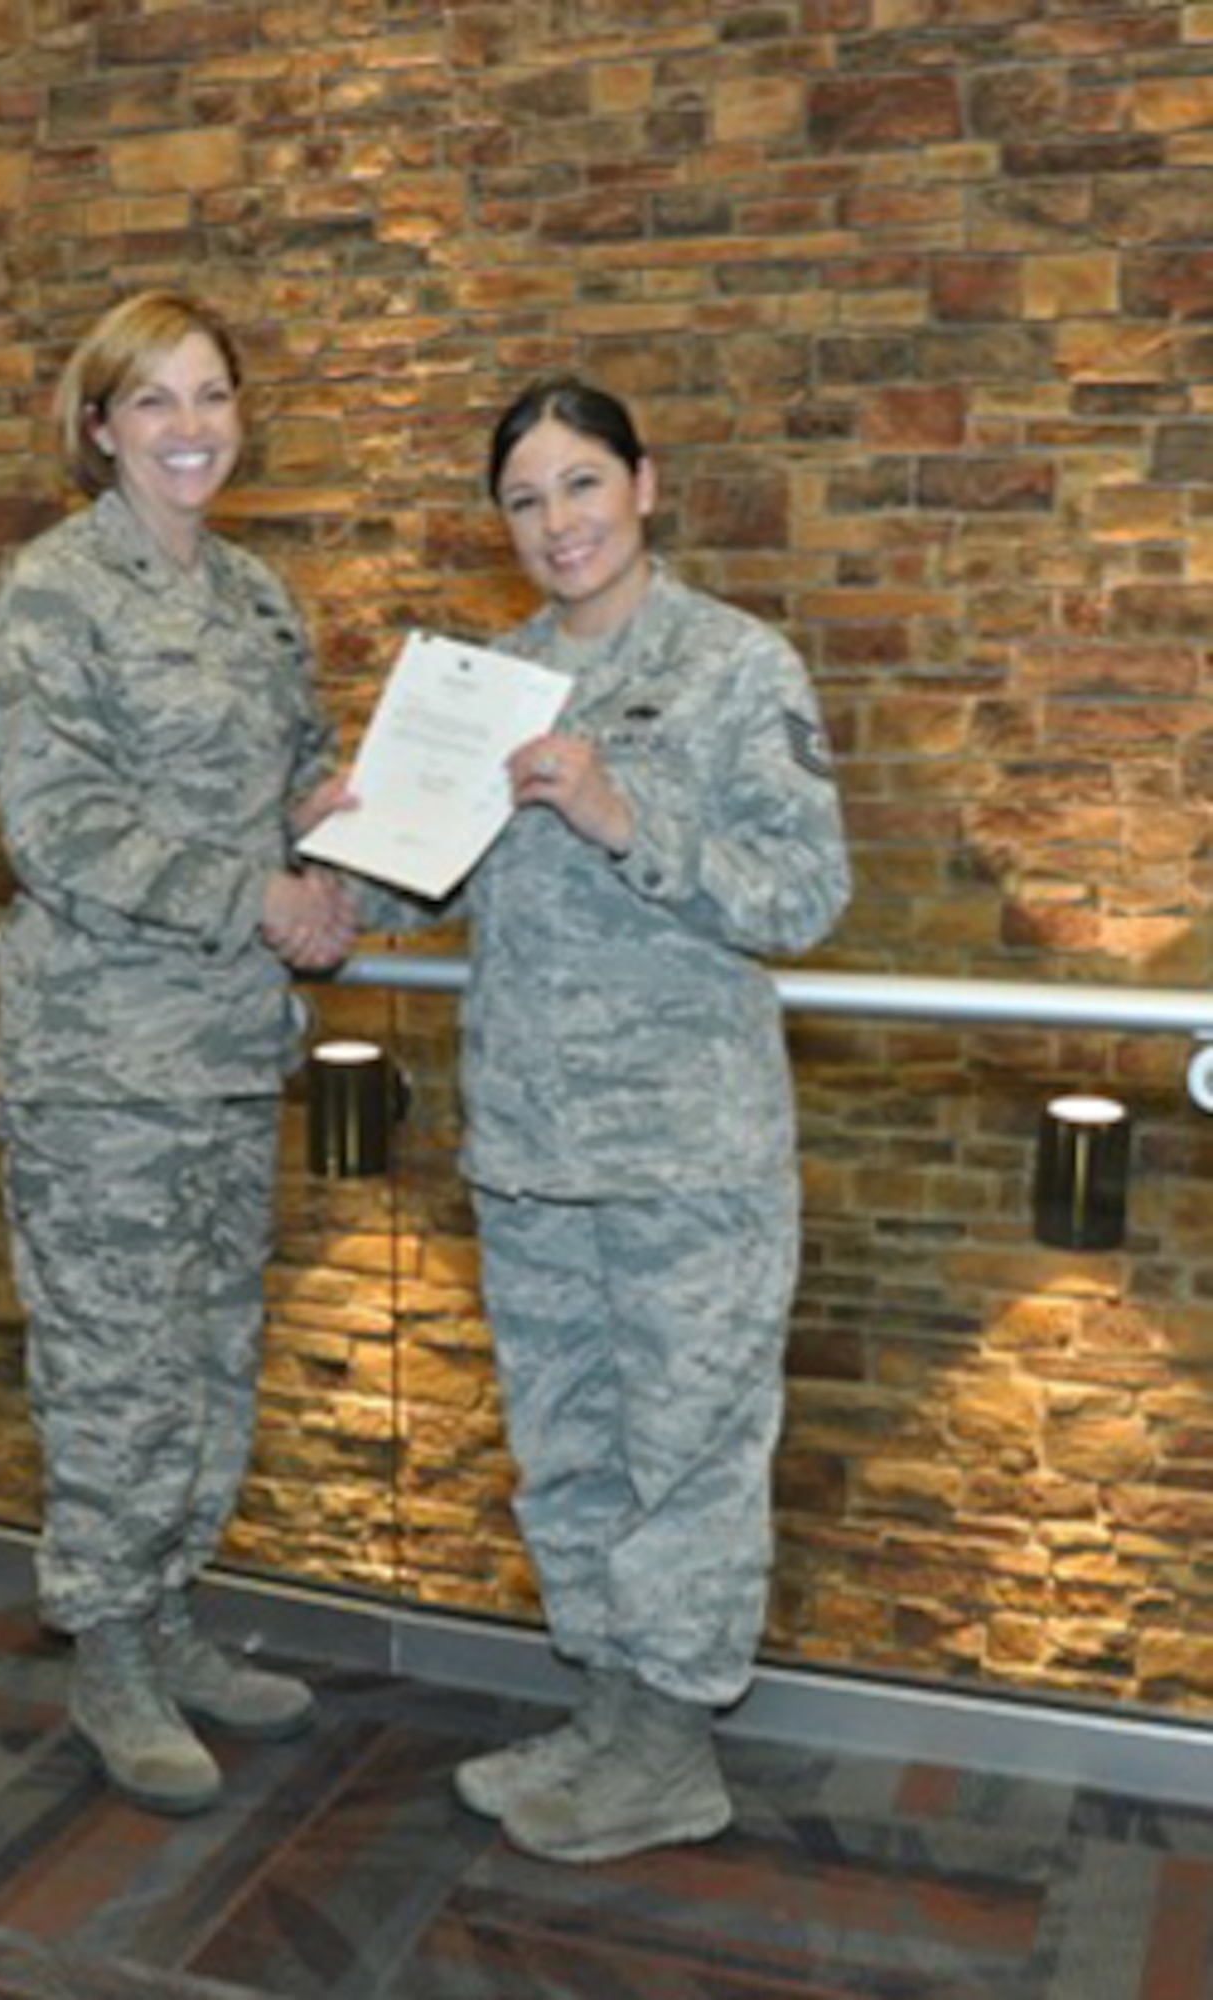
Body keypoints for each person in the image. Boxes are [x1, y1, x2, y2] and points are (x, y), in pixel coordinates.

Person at [340, 376, 851, 1863]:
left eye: (579, 486)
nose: (554, 523)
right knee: (566, 1451)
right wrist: (336, 839)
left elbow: (803, 896)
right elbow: (409, 877)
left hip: (687, 1157)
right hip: (529, 1147)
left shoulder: (733, 667)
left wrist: (626, 815)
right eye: (522, 499)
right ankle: (613, 1712)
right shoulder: (480, 684)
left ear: (643, 483)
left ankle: (671, 1750)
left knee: (687, 1454)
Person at [0, 290, 355, 1818]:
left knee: (208, 1362)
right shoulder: (53, 592)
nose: (190, 427)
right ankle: (108, 1653)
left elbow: (305, 774)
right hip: (102, 1067)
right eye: (154, 402)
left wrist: (350, 836)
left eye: (211, 395)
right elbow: (53, 829)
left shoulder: (259, 597)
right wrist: (250, 893)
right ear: (98, 426)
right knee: (112, 1372)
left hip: (224, 1054)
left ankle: (172, 1614)